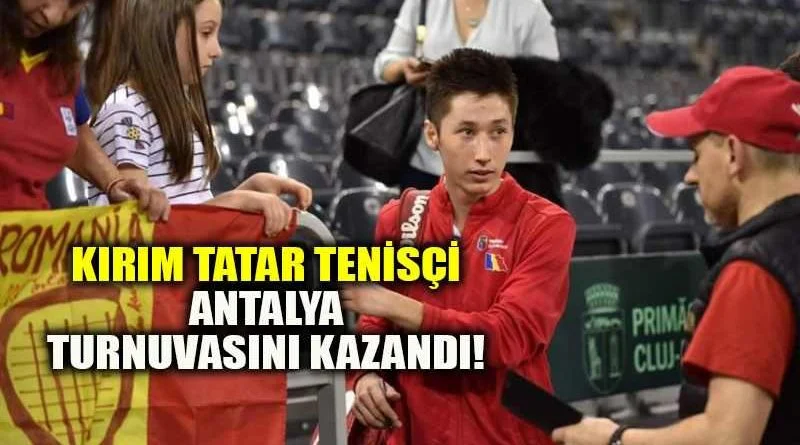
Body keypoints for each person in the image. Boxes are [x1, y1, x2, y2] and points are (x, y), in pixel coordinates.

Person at [552, 66, 800, 445]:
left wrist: (614, 438)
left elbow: (727, 438)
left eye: (696, 155)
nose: (689, 176)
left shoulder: (756, 271)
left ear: (733, 154)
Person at [342, 48, 577, 445]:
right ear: (432, 135)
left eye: (498, 132)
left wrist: (404, 309)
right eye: (467, 132)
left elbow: (506, 337)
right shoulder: (399, 217)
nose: (484, 154)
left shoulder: (547, 225)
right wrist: (365, 376)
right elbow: (375, 327)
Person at [84, 0, 312, 236]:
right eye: (206, 33)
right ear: (161, 31)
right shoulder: (126, 111)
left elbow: (192, 209)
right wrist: (233, 202)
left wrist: (248, 191)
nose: (217, 50)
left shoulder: (179, 106)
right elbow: (135, 228)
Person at [0, 0, 169, 219]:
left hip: (28, 233)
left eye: (74, 5)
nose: (52, 16)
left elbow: (74, 129)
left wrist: (114, 182)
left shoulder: (60, 67)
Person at [374, 0, 560, 191]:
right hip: (428, 163)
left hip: (502, 168)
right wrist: (404, 68)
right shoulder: (422, 3)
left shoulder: (528, 7)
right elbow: (385, 63)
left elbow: (550, 82)